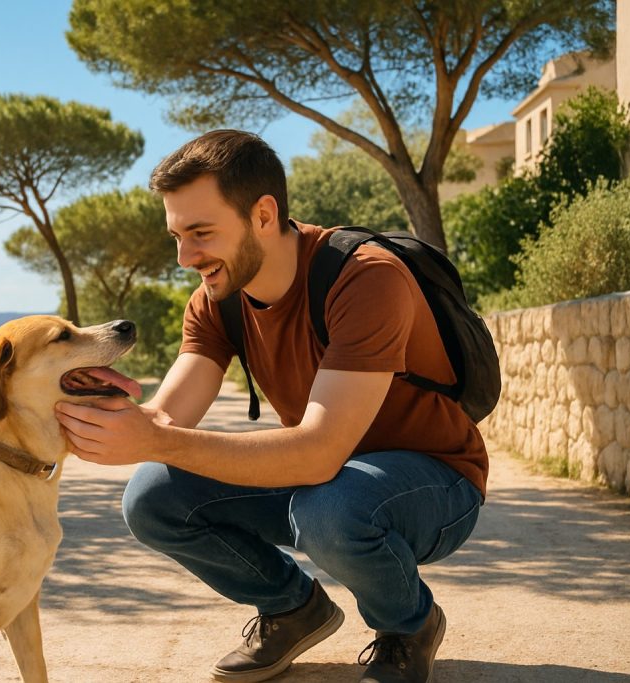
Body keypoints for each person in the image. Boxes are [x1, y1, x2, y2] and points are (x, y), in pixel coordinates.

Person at [54, 129, 487, 683]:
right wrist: (81, 407)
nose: (186, 257)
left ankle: (408, 626)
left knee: (330, 508)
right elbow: (162, 421)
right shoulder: (218, 301)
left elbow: (317, 454)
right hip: (328, 479)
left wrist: (155, 438)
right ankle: (292, 608)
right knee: (153, 495)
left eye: (201, 233)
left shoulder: (365, 278)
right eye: (177, 236)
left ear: (263, 214)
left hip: (435, 480)